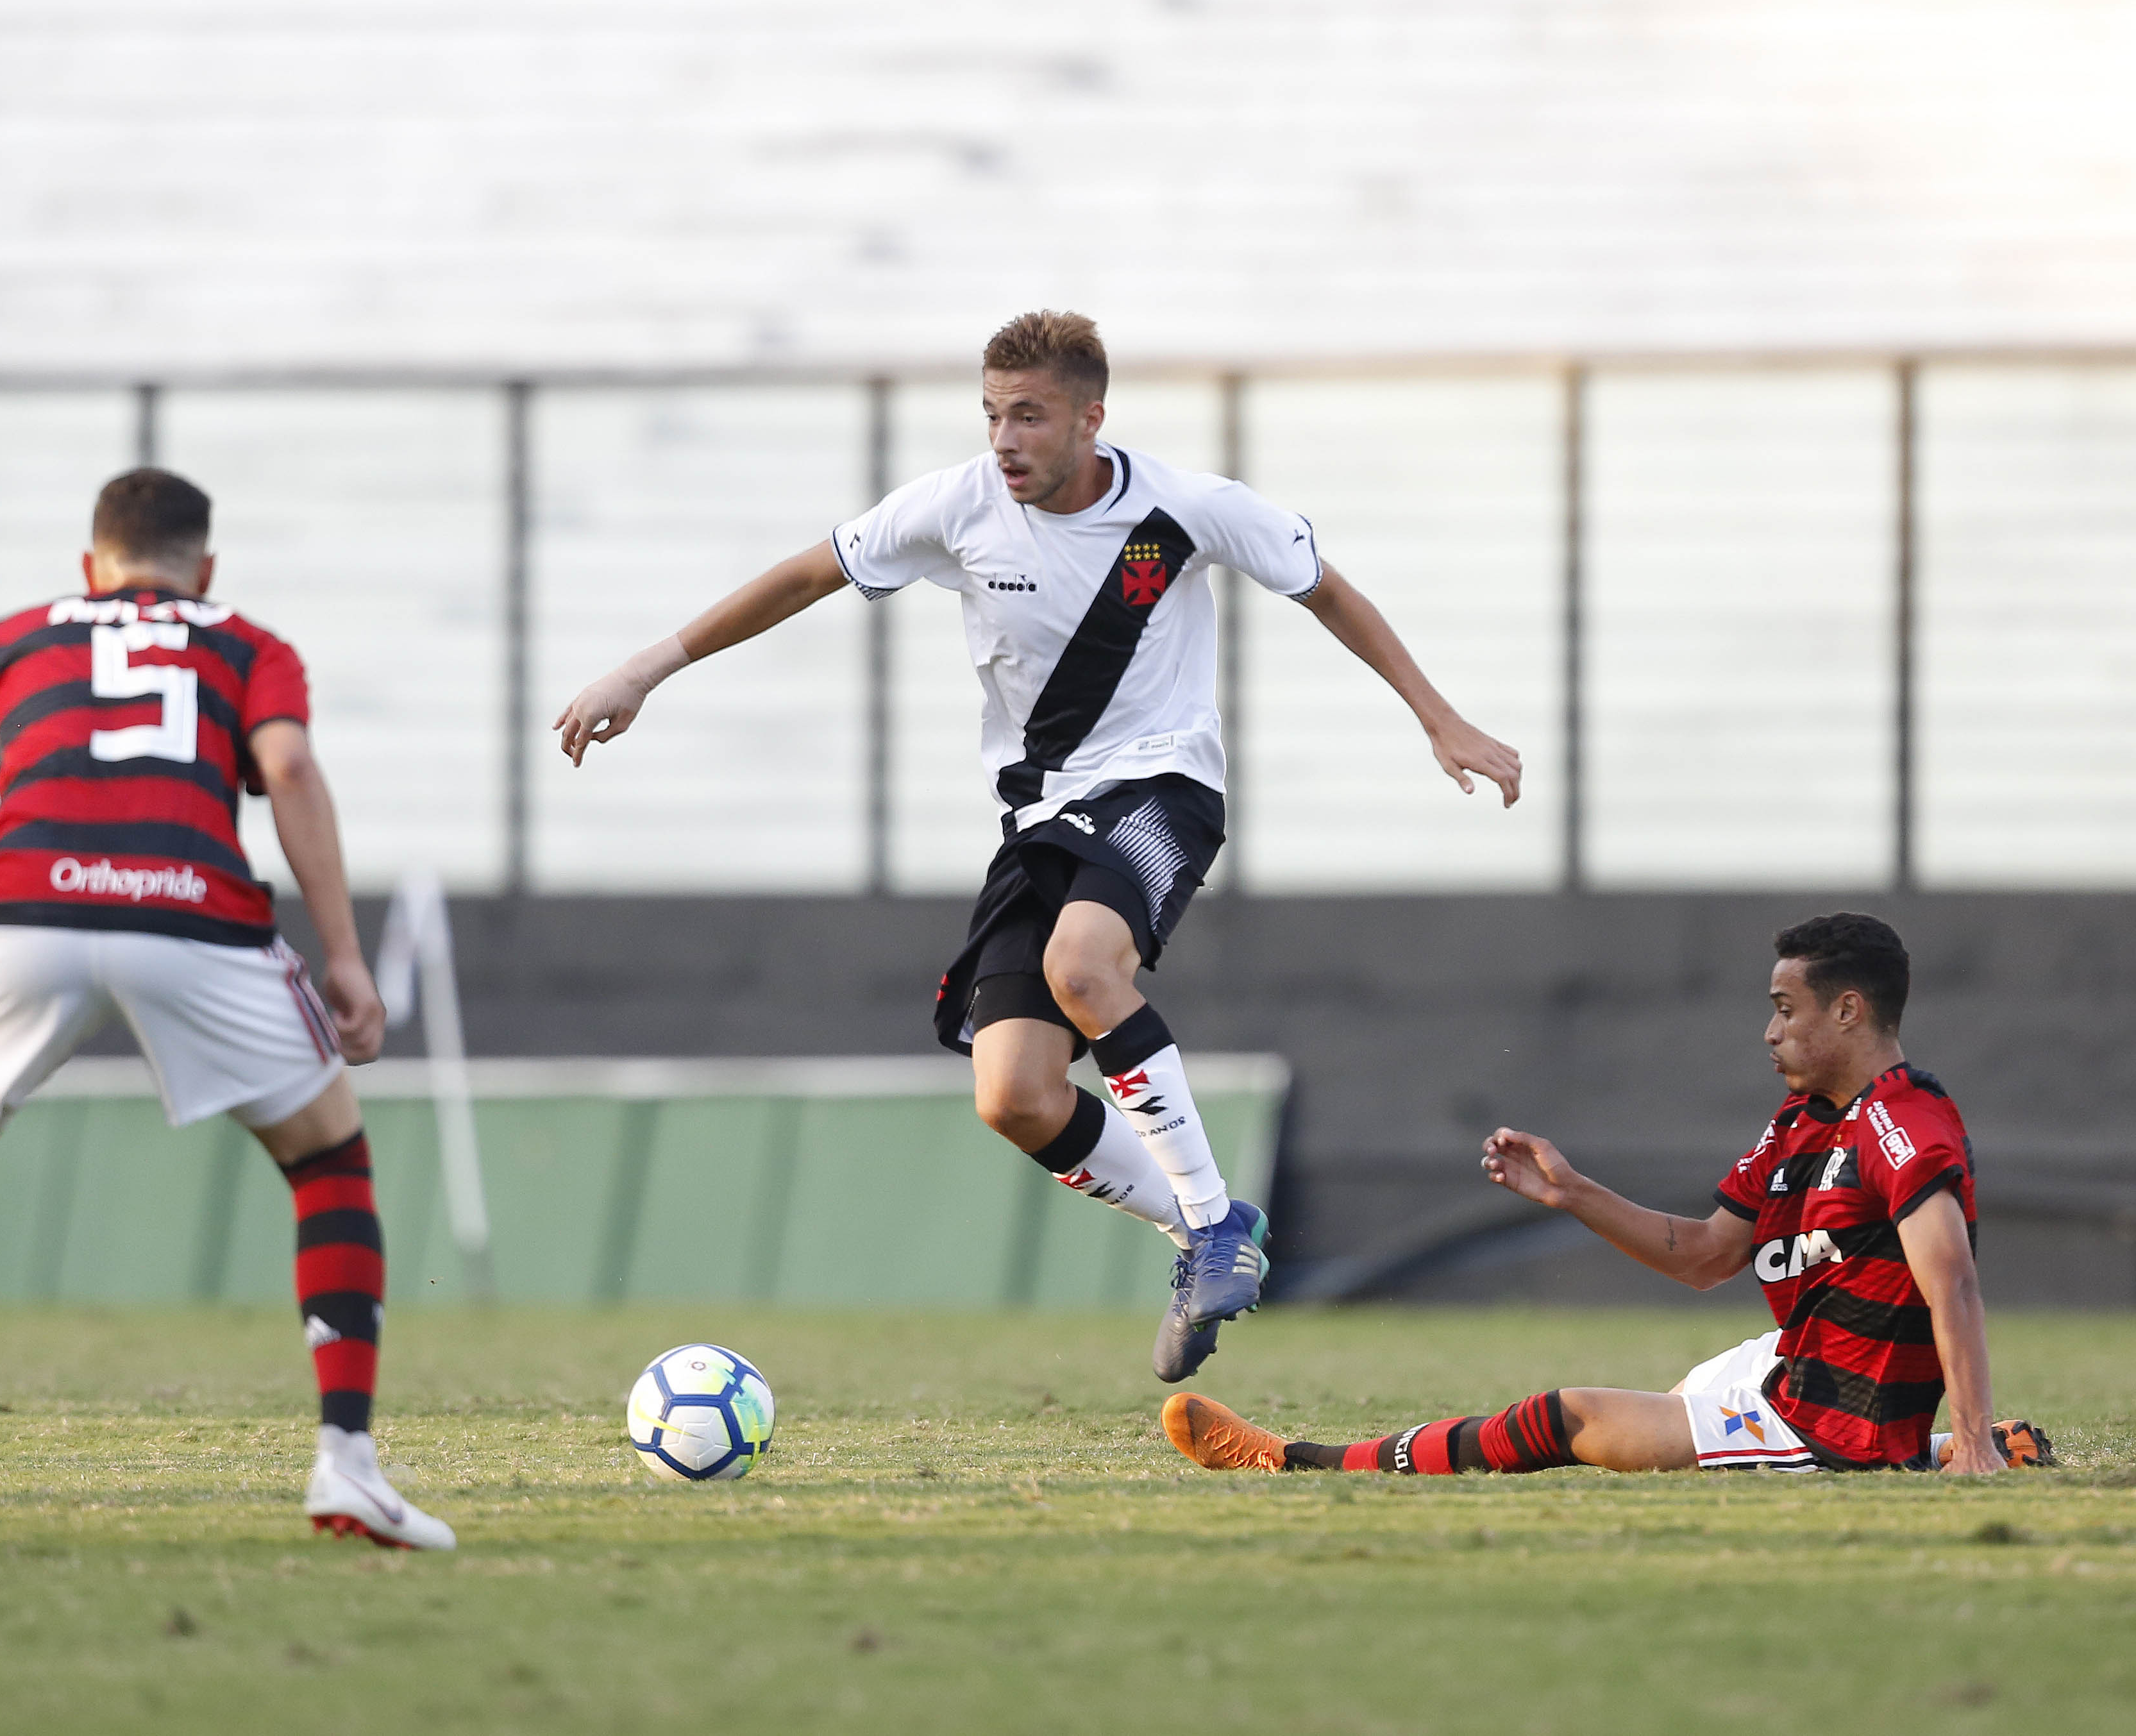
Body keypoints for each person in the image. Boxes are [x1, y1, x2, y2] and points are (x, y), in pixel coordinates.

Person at [554, 311, 1522, 1381]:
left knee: (1083, 968)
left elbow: (1329, 591)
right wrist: (642, 670)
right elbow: (804, 576)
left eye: (1029, 416)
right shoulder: (957, 506)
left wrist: (1441, 719)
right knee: (1014, 1096)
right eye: (991, 415)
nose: (1005, 440)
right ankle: (1210, 1223)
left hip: (1163, 787)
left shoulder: (1186, 508)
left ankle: (1208, 1227)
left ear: (1090, 419)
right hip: (1038, 820)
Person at [0, 468, 455, 1549]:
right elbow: (290, 768)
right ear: (205, 569)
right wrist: (347, 956)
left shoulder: (8, 642)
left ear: (91, 565)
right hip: (191, 911)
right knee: (329, 1163)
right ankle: (347, 1462)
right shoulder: (248, 646)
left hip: (21, 916)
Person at [1164, 913, 2055, 1477]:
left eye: (1787, 1009)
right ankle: (1944, 1445)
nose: (1770, 1031)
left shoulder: (1902, 1124)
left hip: (1834, 1425)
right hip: (1794, 1369)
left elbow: (1952, 1281)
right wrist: (1574, 1193)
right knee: (1683, 1396)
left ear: (1849, 1011)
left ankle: (1299, 1459)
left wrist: (1972, 1438)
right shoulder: (1802, 1123)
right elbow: (1704, 1254)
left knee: (1572, 1417)